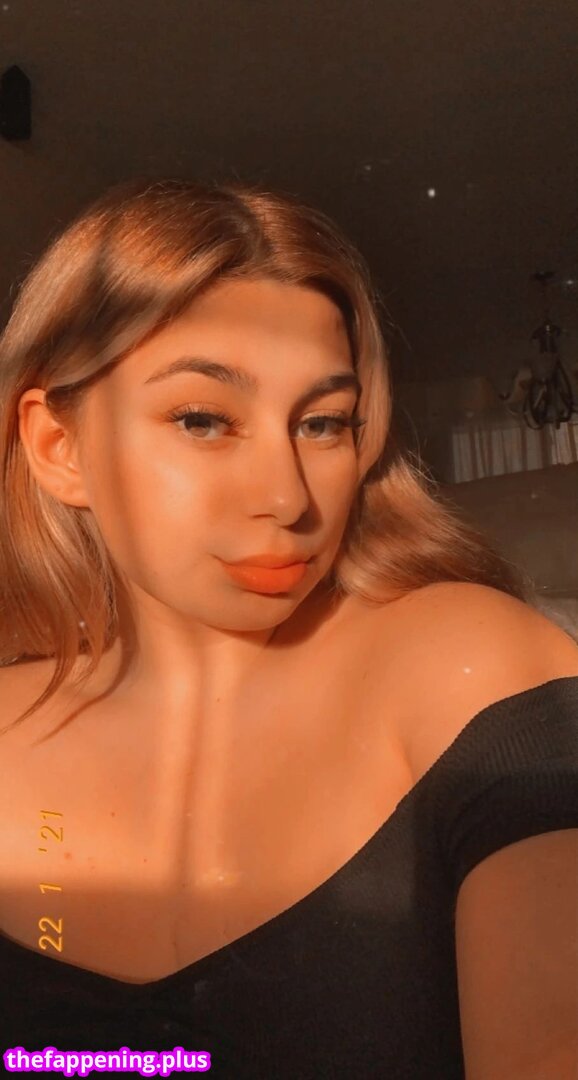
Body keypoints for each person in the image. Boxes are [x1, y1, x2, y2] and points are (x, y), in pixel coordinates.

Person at [0, 178, 576, 1079]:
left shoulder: (465, 669)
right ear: (58, 447)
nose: (287, 497)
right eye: (203, 419)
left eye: (323, 423)